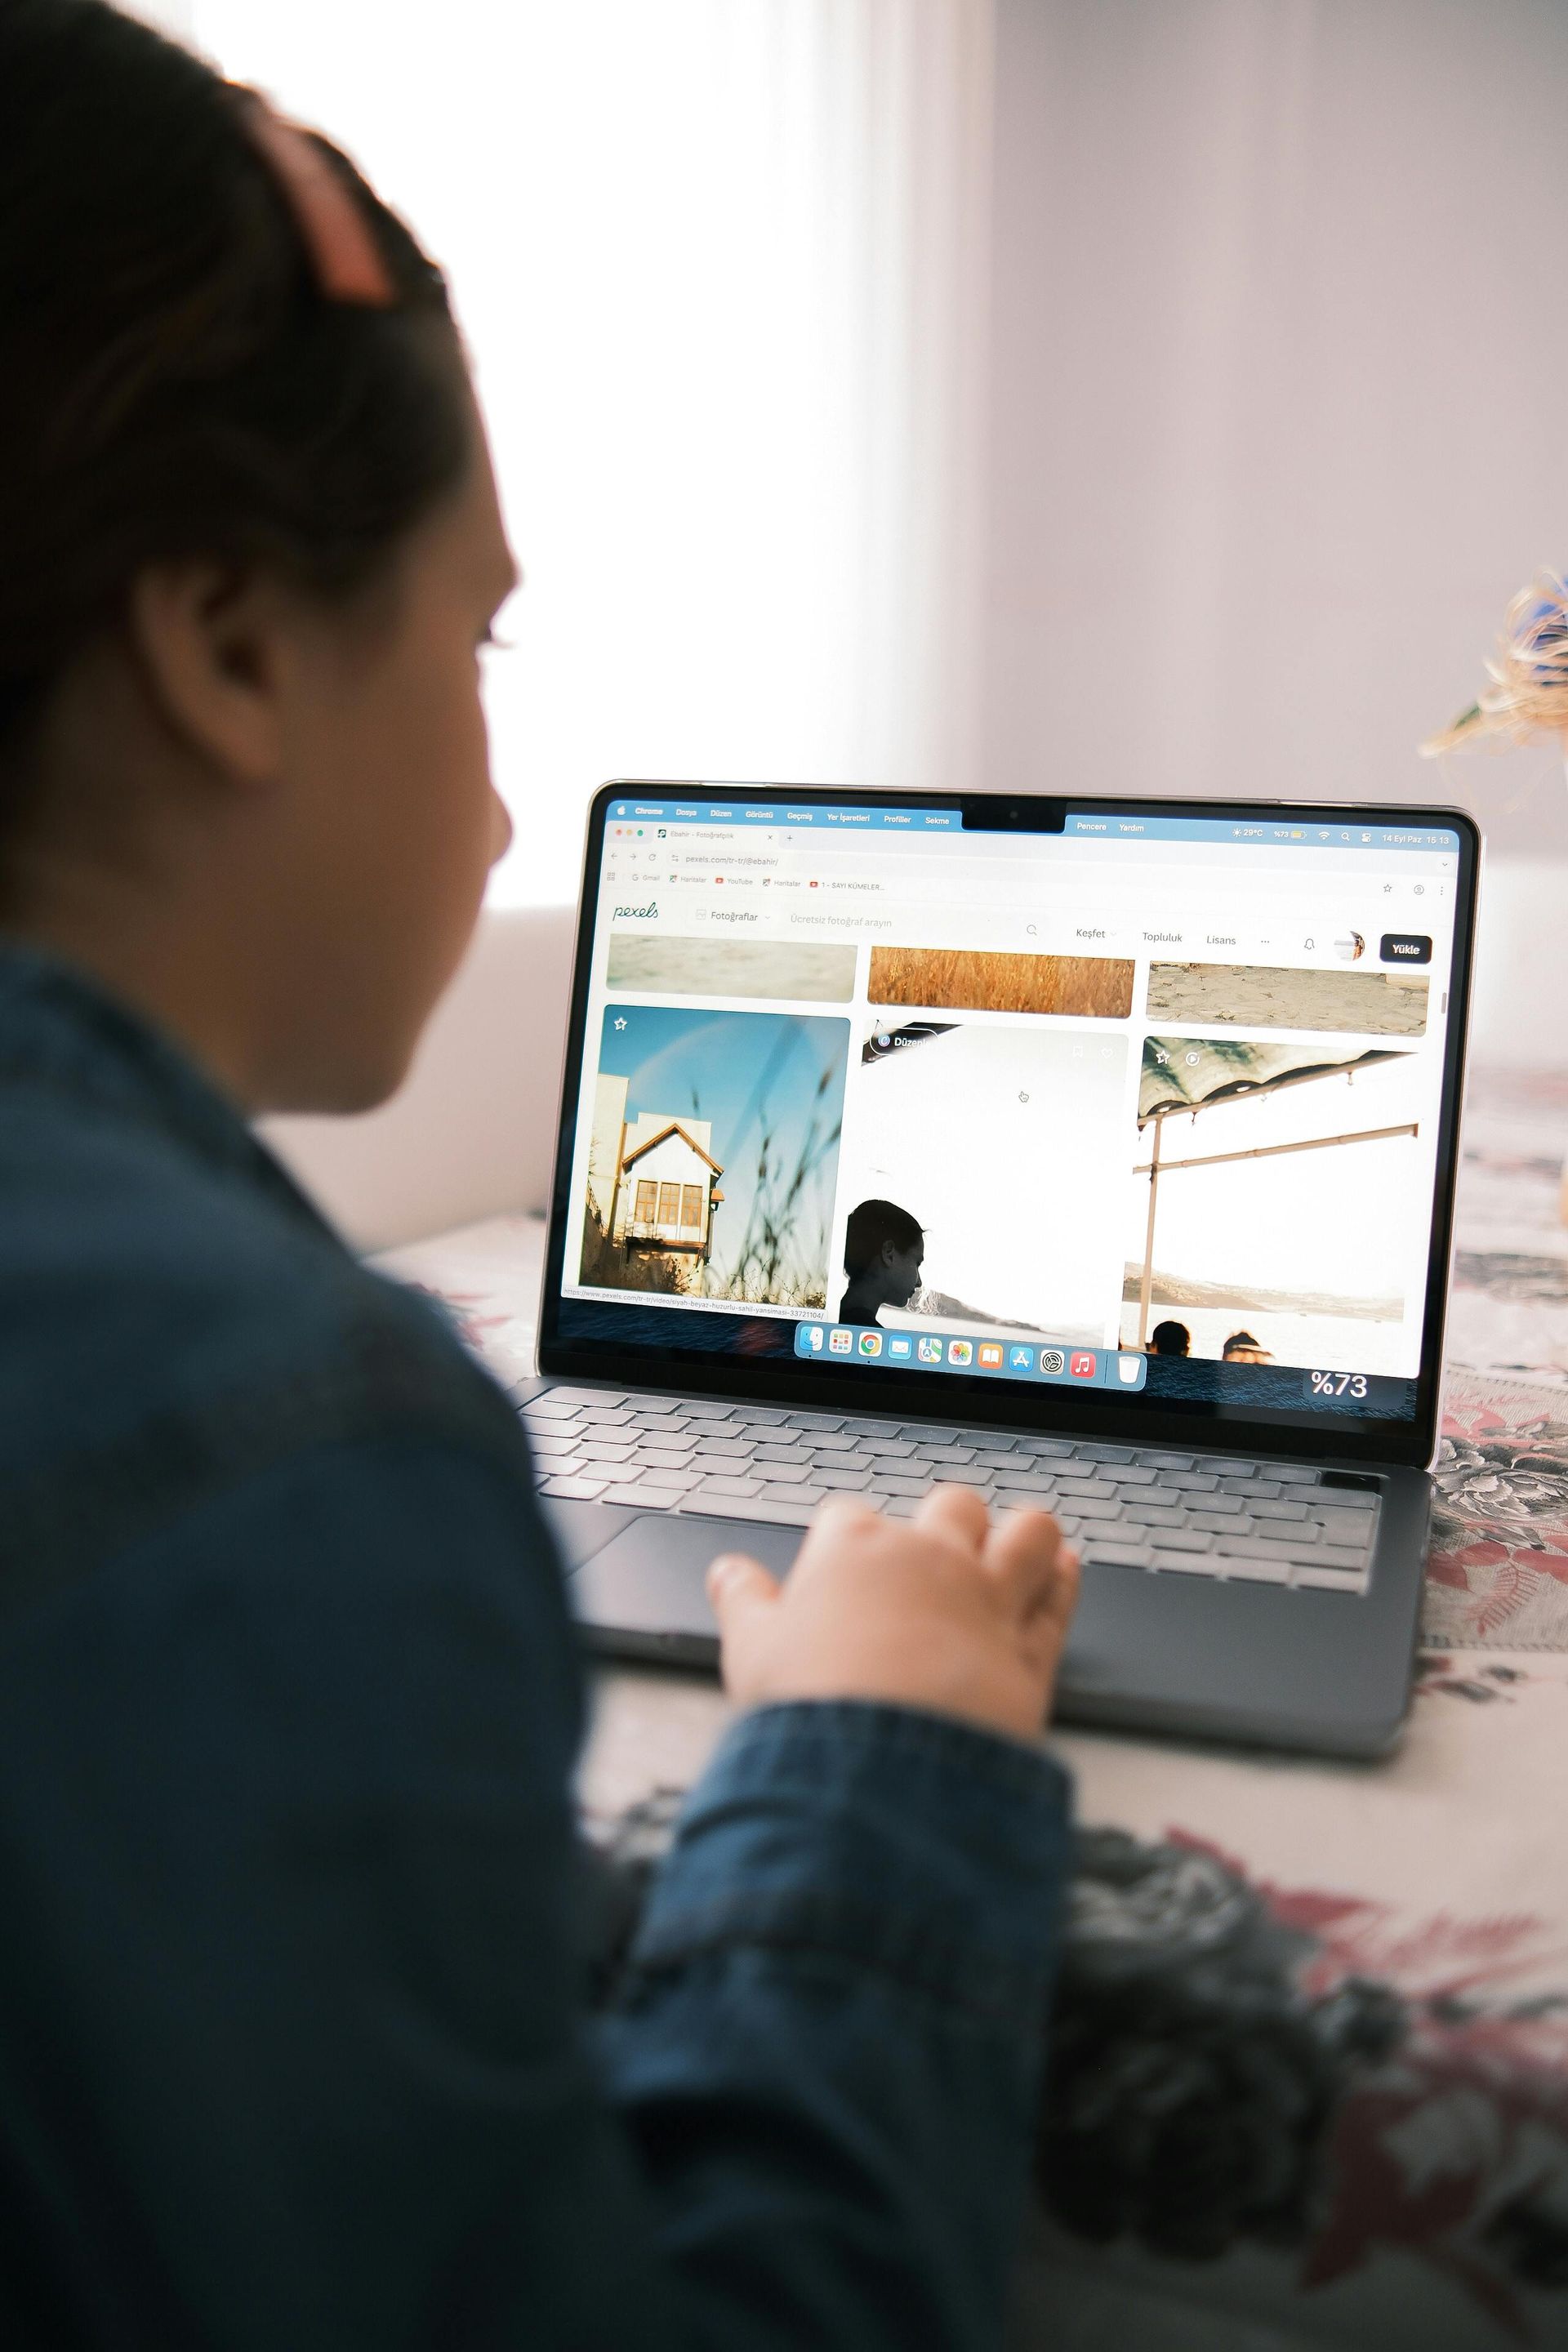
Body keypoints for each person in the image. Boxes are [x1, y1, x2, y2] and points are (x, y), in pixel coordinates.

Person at [0, 7, 1081, 2348]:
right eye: (481, 631)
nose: (505, 805)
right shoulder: (285, 1441)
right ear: (223, 640)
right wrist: (877, 1763)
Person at [838, 1196, 925, 1324]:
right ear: (889, 1254)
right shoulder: (872, 1337)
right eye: (917, 1263)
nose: (919, 1282)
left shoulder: (831, 1319)